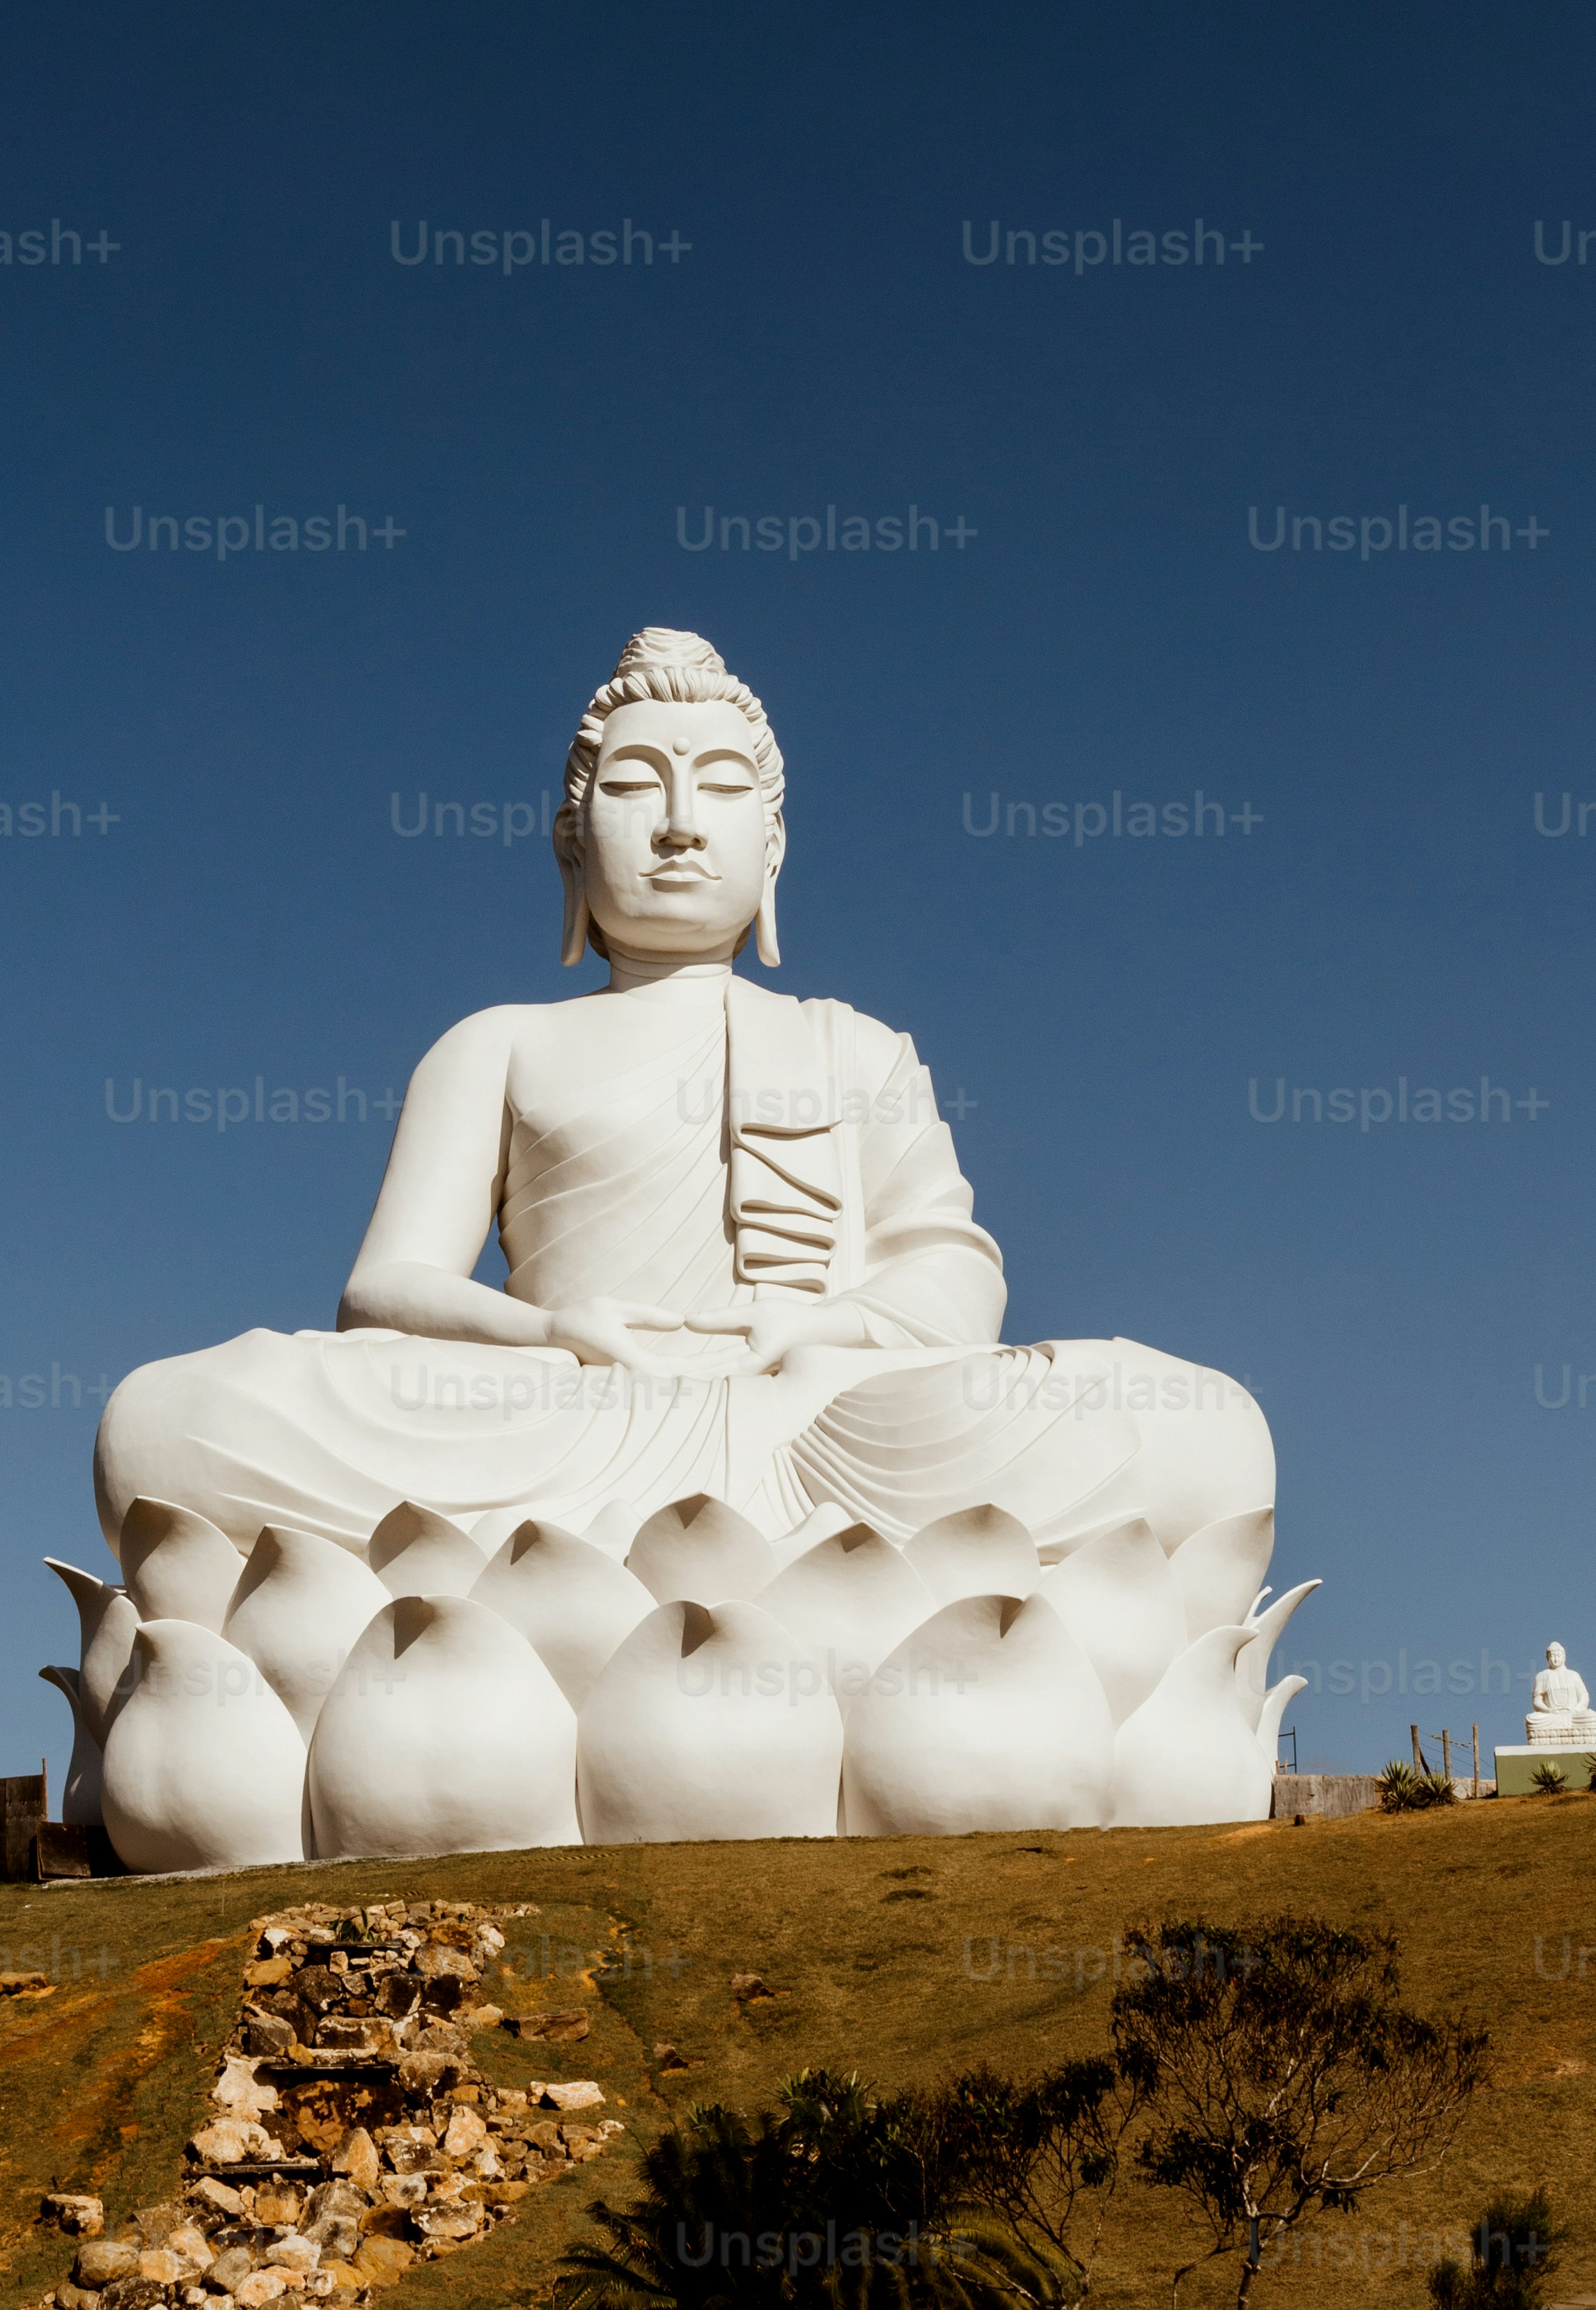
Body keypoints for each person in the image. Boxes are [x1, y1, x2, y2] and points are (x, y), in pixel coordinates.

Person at [93, 625, 1273, 1589]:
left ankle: (539, 1603)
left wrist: (816, 1334)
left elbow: (955, 1280)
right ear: (571, 842)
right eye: (632, 786)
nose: (675, 824)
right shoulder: (499, 1044)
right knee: (171, 1422)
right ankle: (852, 1597)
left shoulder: (852, 1046)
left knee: (1196, 1424)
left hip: (832, 1423)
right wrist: (562, 1336)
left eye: (718, 789)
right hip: (561, 1422)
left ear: (772, 849)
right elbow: (386, 1292)